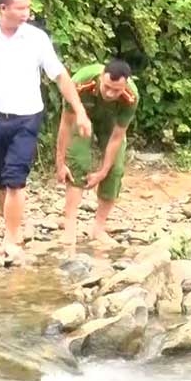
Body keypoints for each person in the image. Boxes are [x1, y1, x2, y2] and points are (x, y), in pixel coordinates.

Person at [0, 0, 92, 261]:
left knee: (15, 179)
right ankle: (14, 225)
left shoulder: (36, 38)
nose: (26, 13)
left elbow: (60, 76)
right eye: (20, 8)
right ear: (2, 8)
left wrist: (79, 109)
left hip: (27, 117)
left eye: (28, 7)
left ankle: (11, 236)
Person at [56, 58, 140, 248]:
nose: (110, 93)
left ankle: (98, 228)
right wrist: (60, 162)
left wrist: (103, 172)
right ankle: (70, 228)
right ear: (102, 77)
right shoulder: (81, 82)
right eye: (107, 87)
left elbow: (118, 136)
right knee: (77, 161)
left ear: (125, 85)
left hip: (110, 122)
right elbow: (66, 124)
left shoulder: (130, 96)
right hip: (81, 116)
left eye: (116, 90)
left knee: (115, 169)